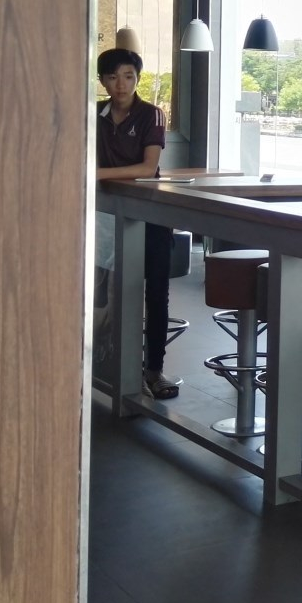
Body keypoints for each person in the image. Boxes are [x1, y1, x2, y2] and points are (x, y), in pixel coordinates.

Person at [96, 47, 180, 399]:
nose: (121, 84)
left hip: (151, 213)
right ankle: (110, 364)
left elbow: (148, 168)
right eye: (113, 77)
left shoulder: (151, 114)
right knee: (106, 289)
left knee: (156, 292)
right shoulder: (95, 114)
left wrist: (95, 173)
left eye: (129, 76)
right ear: (102, 81)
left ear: (137, 79)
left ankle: (154, 370)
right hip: (108, 213)